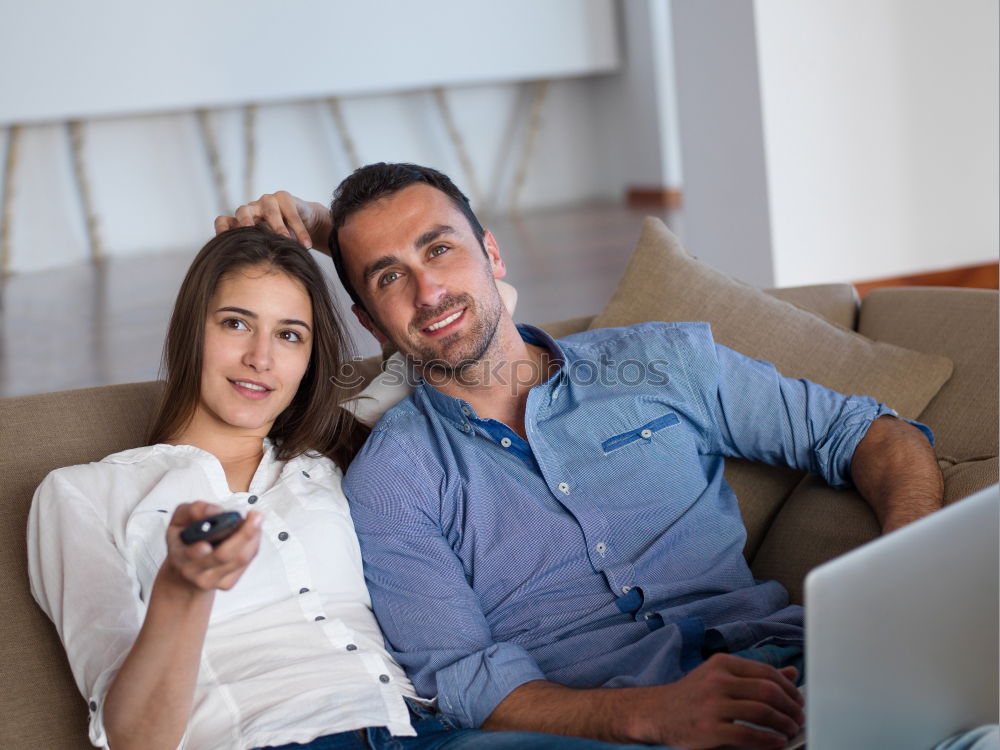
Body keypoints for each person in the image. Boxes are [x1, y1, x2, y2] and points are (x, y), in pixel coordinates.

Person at [217, 165, 946, 750]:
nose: (428, 290)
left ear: (491, 254)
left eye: (440, 249)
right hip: (598, 728)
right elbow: (464, 677)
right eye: (388, 277)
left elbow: (870, 435)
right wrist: (650, 716)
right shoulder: (394, 478)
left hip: (797, 678)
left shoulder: (661, 362)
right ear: (371, 321)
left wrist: (907, 569)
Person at [27, 226, 646, 750]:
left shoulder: (341, 457)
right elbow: (135, 736)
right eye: (237, 323)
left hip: (425, 731)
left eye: (290, 335)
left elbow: (472, 322)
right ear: (191, 328)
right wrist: (182, 591)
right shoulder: (83, 494)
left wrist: (335, 236)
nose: (261, 358)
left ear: (311, 358)